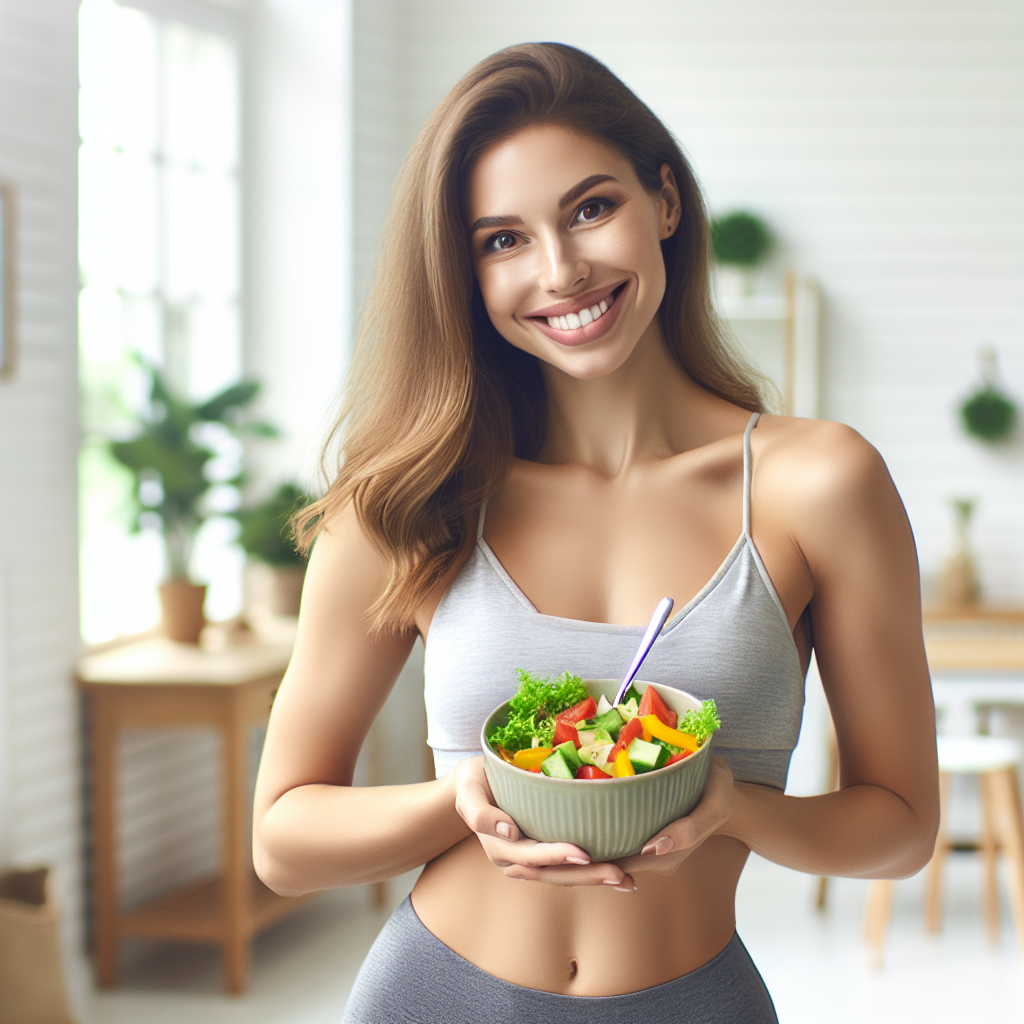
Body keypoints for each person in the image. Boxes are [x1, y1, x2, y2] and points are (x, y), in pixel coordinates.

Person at [252, 43, 939, 1023]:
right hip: (431, 995)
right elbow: (281, 841)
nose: (561, 270)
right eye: (502, 240)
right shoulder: (409, 498)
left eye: (589, 208)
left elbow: (903, 826)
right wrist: (462, 800)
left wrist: (734, 808)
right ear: (464, 272)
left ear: (663, 200)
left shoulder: (817, 483)